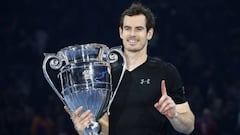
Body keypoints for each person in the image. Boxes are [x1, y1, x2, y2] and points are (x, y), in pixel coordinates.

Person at [64, 2, 195, 135]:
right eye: (127, 28)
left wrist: (174, 114)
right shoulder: (105, 75)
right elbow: (104, 130)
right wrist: (85, 130)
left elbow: (188, 126)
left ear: (149, 33)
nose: (132, 34)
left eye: (138, 29)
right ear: (121, 32)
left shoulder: (166, 72)